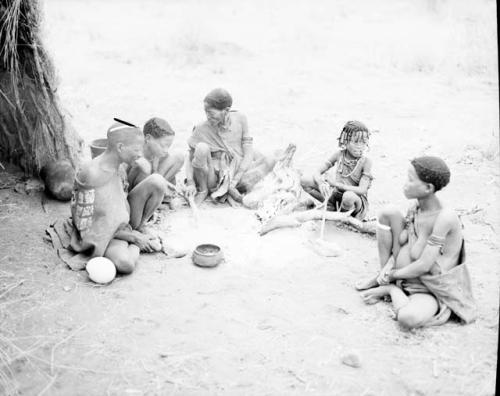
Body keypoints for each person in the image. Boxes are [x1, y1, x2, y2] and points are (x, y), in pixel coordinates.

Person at [357, 156, 476, 328]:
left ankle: (391, 289)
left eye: (410, 180)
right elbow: (406, 240)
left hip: (426, 287)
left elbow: (424, 265)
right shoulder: (417, 206)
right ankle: (383, 276)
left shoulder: (445, 218)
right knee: (387, 212)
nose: (405, 184)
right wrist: (388, 267)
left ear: (428, 188)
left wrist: (393, 276)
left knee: (407, 318)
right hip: (401, 272)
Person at [69, 122, 168, 274]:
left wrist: (132, 231)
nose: (140, 154)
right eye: (136, 149)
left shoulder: (120, 166)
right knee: (125, 264)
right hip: (104, 233)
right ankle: (139, 241)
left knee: (157, 182)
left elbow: (121, 202)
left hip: (123, 223)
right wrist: (134, 239)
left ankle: (139, 230)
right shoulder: (90, 173)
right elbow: (86, 226)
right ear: (120, 147)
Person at [185, 88, 274, 205]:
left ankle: (234, 188)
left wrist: (235, 179)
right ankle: (203, 190)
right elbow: (190, 158)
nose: (207, 116)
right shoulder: (201, 129)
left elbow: (248, 152)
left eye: (211, 113)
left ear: (226, 111)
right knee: (201, 148)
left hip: (238, 170)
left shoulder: (240, 119)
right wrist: (191, 183)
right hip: (214, 177)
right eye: (205, 112)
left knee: (272, 159)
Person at [301, 120, 373, 220]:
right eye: (356, 142)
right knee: (305, 180)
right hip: (336, 195)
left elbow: (362, 190)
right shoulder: (339, 155)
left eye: (364, 142)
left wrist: (336, 184)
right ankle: (331, 206)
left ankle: (346, 218)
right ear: (345, 141)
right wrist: (321, 183)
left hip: (355, 200)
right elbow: (317, 172)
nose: (360, 146)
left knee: (348, 197)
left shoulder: (366, 162)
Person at [127, 117, 184, 201]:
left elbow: (155, 172)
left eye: (168, 146)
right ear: (148, 138)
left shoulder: (155, 152)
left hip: (152, 180)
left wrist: (167, 184)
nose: (166, 150)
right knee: (144, 168)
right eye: (162, 145)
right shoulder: (137, 154)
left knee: (179, 157)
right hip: (135, 192)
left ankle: (160, 192)